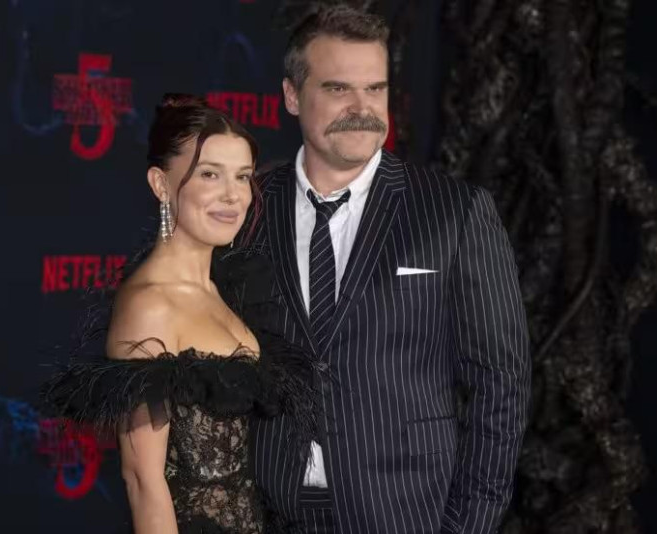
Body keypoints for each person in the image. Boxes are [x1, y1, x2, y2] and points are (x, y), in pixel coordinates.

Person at [240, 5, 532, 533]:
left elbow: (502, 384)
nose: (363, 108)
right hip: (270, 511)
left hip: (404, 514)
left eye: (375, 89)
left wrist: (468, 526)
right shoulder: (246, 209)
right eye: (338, 89)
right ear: (291, 95)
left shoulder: (455, 212)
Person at [43, 95, 319, 533]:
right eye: (210, 174)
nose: (233, 195)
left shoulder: (225, 289)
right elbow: (142, 480)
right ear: (160, 183)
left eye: (243, 176)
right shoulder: (149, 305)